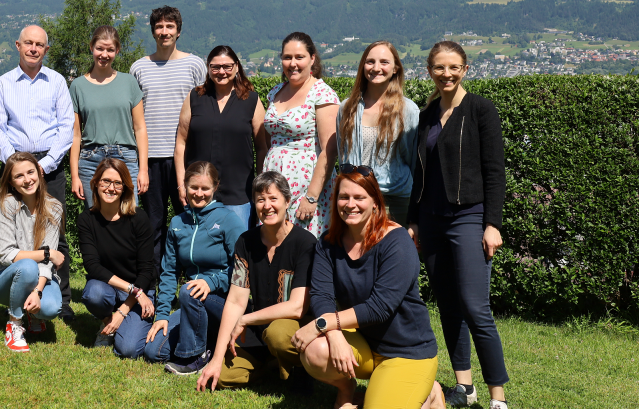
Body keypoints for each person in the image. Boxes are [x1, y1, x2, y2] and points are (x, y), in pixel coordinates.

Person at [407, 41, 510, 409]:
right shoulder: (425, 115)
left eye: (453, 67)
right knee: (448, 305)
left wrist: (492, 224)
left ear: (465, 68)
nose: (446, 74)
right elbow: (418, 175)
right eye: (439, 68)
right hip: (431, 221)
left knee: (474, 305)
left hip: (469, 215)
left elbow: (495, 171)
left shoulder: (481, 109)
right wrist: (414, 221)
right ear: (429, 70)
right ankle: (464, 388)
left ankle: (498, 395)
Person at [291, 167, 444, 409]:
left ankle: (429, 393)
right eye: (344, 197)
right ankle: (347, 392)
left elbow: (379, 308)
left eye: (359, 197)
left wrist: (324, 324)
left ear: (375, 202)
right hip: (364, 344)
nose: (350, 204)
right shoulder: (328, 244)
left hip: (406, 352)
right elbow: (321, 296)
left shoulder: (397, 241)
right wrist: (334, 335)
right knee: (316, 350)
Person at [196, 171, 317, 391]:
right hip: (258, 330)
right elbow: (235, 301)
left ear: (287, 201)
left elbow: (299, 306)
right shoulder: (246, 242)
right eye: (260, 199)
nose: (267, 206)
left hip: (293, 328)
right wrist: (216, 358)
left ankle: (301, 369)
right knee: (223, 377)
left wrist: (245, 320)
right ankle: (271, 365)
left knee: (277, 334)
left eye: (273, 198)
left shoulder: (305, 243)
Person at [0, 25, 76, 320]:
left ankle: (61, 301)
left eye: (40, 44)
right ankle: (15, 289)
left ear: (46, 50)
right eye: (29, 43)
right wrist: (17, 165)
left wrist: (46, 164)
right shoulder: (3, 83)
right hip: (16, 166)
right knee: (15, 226)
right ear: (18, 45)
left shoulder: (56, 81)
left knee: (56, 234)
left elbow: (67, 128)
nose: (34, 48)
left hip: (51, 165)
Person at [144, 161, 247, 373]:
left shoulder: (229, 220)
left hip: (225, 302)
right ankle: (209, 341)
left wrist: (211, 281)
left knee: (189, 291)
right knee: (154, 352)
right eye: (194, 187)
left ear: (215, 188)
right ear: (184, 186)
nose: (199, 193)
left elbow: (243, 269)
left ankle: (195, 356)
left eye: (205, 188)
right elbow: (169, 271)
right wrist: (162, 314)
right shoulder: (177, 223)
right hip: (192, 304)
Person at [130, 6, 207, 277]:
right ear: (152, 31)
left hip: (187, 159)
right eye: (159, 27)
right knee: (153, 226)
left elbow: (204, 107)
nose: (164, 31)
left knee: (191, 222)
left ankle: (193, 283)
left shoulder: (195, 64)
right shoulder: (139, 67)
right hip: (150, 159)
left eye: (169, 26)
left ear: (178, 31)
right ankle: (154, 285)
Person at [174, 45, 267, 228]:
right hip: (199, 194)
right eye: (215, 67)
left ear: (237, 67)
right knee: (199, 250)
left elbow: (262, 147)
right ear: (208, 68)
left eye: (227, 66)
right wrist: (181, 184)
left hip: (239, 195)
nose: (221, 72)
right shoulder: (195, 97)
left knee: (239, 252)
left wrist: (260, 186)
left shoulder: (252, 101)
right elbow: (180, 144)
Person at [262, 31, 340, 238]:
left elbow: (329, 151)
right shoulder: (276, 91)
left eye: (299, 57)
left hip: (306, 186)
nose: (293, 63)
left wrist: (311, 198)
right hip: (273, 182)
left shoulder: (322, 94)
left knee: (302, 246)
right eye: (287, 57)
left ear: (312, 59)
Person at [0, 152, 64, 352]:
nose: (27, 180)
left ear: (40, 172)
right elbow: (6, 254)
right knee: (28, 266)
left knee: (51, 308)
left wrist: (37, 291)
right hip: (4, 279)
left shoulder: (54, 207)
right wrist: (47, 253)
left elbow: (47, 264)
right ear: (11, 182)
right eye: (19, 176)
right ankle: (15, 324)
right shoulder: (7, 204)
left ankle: (33, 312)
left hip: (40, 277)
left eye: (31, 172)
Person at [77, 158, 156, 359]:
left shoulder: (139, 218)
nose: (111, 188)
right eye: (105, 181)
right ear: (95, 183)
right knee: (93, 293)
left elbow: (147, 270)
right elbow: (92, 266)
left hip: (141, 289)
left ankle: (125, 323)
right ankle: (106, 323)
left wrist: (125, 309)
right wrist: (133, 290)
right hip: (110, 289)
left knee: (128, 350)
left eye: (117, 183)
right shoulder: (87, 219)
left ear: (125, 188)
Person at [335, 41, 419, 225]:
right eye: (370, 61)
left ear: (396, 68)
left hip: (394, 200)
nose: (376, 68)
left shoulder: (408, 110)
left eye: (384, 62)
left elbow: (413, 161)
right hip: (354, 200)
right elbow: (343, 156)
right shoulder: (347, 108)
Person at [70, 25, 149, 207]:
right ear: (91, 47)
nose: (104, 54)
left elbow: (140, 127)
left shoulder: (129, 82)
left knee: (129, 216)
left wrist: (143, 169)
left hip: (126, 158)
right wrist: (75, 176)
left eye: (110, 50)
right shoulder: (78, 86)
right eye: (100, 48)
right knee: (96, 219)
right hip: (91, 160)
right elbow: (75, 135)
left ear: (117, 51)